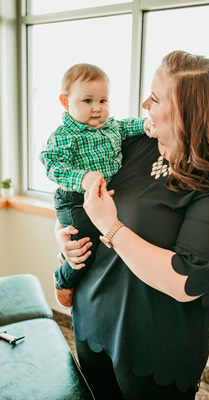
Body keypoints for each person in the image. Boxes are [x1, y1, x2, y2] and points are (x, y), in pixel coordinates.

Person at [55, 50, 209, 399]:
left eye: (157, 97)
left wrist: (111, 226)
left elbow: (186, 281)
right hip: (93, 319)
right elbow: (76, 194)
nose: (145, 103)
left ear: (186, 114)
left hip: (153, 348)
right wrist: (64, 237)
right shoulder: (131, 143)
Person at [40, 63, 150, 307]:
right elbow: (52, 166)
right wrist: (83, 177)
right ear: (66, 102)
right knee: (84, 247)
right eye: (88, 101)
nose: (97, 109)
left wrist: (144, 125)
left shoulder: (111, 126)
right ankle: (64, 279)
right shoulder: (65, 134)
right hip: (74, 199)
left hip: (101, 198)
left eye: (103, 101)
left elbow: (126, 126)